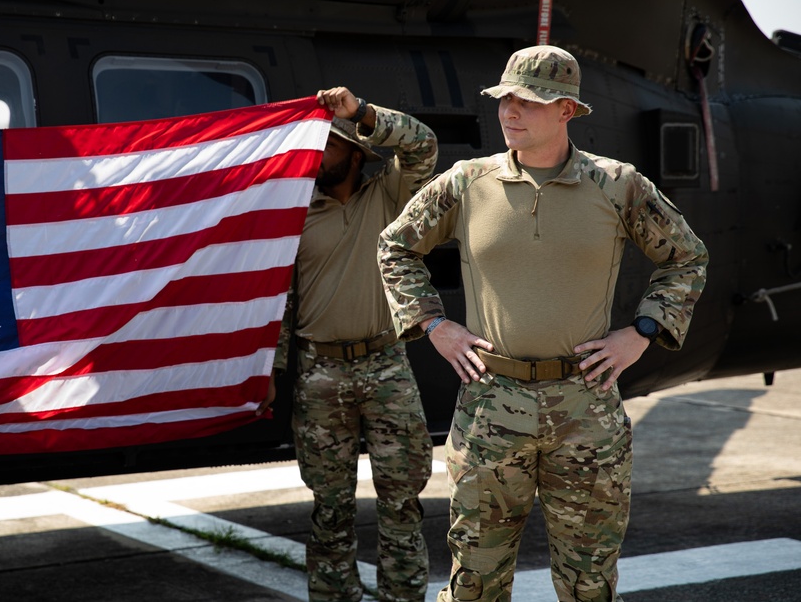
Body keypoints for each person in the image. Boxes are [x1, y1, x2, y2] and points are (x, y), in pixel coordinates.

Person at [377, 46, 708, 602]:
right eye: (505, 99)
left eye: (528, 101)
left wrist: (642, 331)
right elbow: (395, 247)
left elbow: (686, 257)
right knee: (474, 586)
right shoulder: (466, 183)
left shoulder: (616, 184)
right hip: (490, 406)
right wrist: (434, 325)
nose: (510, 111)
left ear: (567, 111)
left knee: (589, 586)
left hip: (585, 407)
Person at [262, 86, 439, 602]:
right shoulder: (294, 211)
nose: (319, 157)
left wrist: (360, 113)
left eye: (330, 146)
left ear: (356, 153)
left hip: (387, 364)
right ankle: (335, 595)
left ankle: (401, 596)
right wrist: (270, 373)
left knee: (402, 502)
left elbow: (423, 146)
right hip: (319, 373)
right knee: (330, 506)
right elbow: (280, 301)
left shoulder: (389, 194)